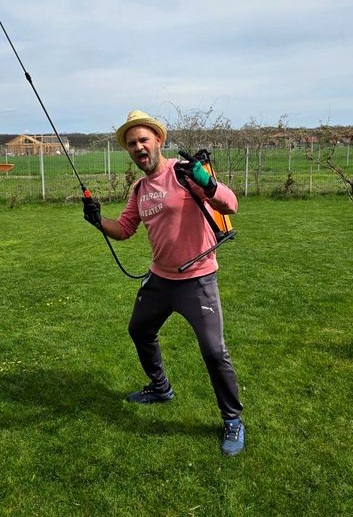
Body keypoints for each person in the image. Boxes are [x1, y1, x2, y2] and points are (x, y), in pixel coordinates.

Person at [83, 110, 245, 456]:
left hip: (198, 279)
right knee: (139, 330)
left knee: (214, 351)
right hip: (160, 278)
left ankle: (232, 419)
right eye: (131, 144)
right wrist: (98, 220)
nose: (138, 147)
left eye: (143, 139)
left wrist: (208, 183)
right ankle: (160, 387)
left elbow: (230, 205)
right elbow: (124, 229)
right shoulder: (140, 188)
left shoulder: (184, 173)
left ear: (158, 140)